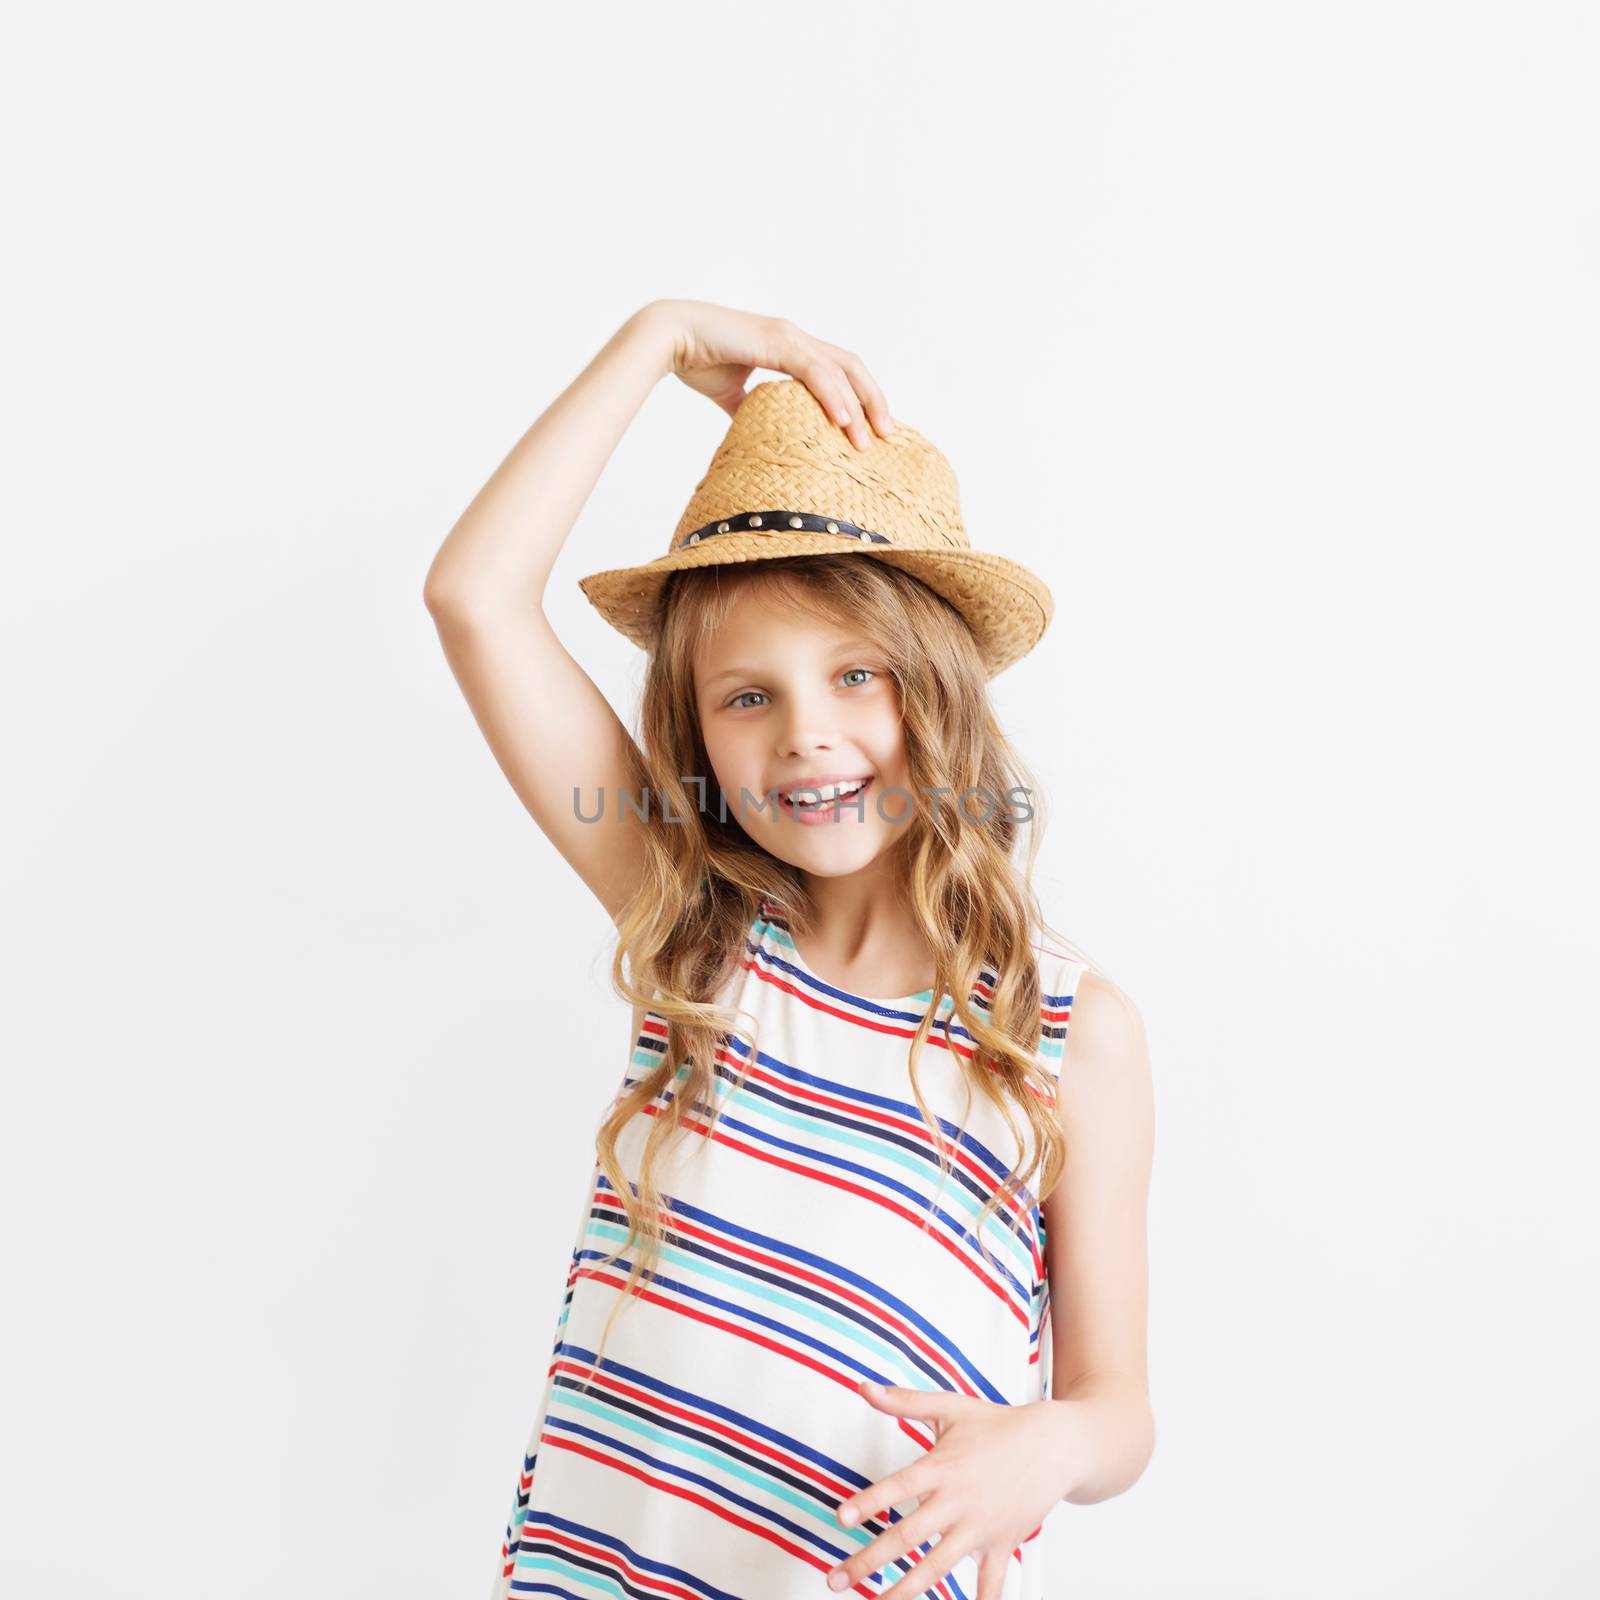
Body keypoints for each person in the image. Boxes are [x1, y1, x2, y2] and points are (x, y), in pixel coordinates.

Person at [423, 299, 1156, 1600]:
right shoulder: (704, 936)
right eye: (747, 697)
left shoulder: (1064, 1032)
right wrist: (654, 341)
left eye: (856, 677)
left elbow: (1118, 1412)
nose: (804, 735)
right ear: (697, 738)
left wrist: (1049, 1444)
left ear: (938, 689)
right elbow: (475, 596)